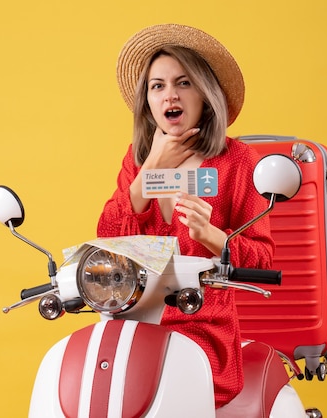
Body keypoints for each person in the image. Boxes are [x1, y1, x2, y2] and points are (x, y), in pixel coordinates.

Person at [97, 24, 275, 408]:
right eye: (157, 86)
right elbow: (107, 242)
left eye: (184, 83)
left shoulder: (239, 162)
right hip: (133, 324)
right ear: (147, 102)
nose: (170, 95)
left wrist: (211, 234)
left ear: (206, 96)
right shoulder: (136, 160)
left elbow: (262, 258)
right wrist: (148, 172)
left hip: (201, 329)